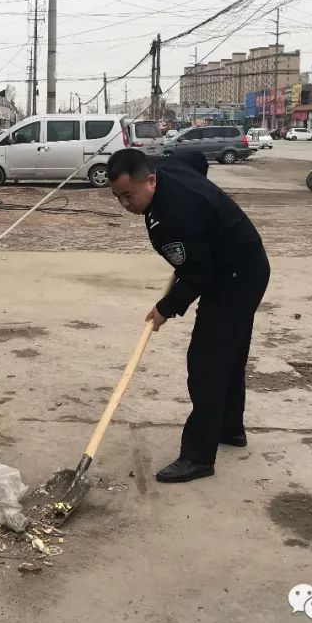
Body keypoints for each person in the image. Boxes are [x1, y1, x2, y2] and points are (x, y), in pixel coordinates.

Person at [107, 148, 269, 483]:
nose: (125, 204)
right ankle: (229, 429)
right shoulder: (166, 167)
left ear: (150, 179)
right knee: (229, 352)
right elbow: (196, 158)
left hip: (234, 276)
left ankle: (198, 457)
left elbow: (197, 275)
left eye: (128, 195)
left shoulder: (173, 218)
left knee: (206, 363)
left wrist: (165, 308)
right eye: (118, 197)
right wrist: (204, 206)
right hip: (245, 262)